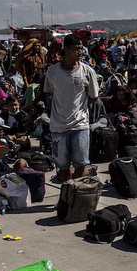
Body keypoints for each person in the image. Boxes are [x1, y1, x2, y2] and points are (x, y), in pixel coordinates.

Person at [42, 34, 100, 181]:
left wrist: (79, 111)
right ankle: (66, 198)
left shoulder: (87, 71)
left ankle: (77, 198)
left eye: (81, 49)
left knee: (80, 166)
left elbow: (93, 97)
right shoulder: (52, 72)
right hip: (58, 127)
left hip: (80, 125)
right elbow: (48, 93)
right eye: (76, 49)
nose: (80, 52)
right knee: (63, 169)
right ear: (66, 49)